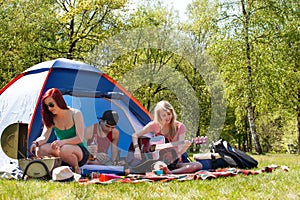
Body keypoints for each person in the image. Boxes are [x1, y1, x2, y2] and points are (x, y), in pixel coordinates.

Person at [131, 100, 202, 174]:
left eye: (169, 114)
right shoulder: (154, 125)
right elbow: (135, 135)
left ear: (172, 113)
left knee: (198, 165)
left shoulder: (180, 127)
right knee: (156, 166)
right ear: (159, 116)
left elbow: (179, 152)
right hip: (157, 161)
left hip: (174, 161)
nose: (167, 117)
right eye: (164, 115)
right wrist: (137, 149)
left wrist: (186, 146)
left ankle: (171, 172)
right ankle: (166, 171)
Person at [29, 88, 90, 174]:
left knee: (64, 149)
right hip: (61, 150)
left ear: (59, 101)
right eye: (47, 106)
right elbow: (44, 137)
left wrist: (62, 142)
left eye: (51, 104)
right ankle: (55, 170)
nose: (49, 108)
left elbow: (79, 138)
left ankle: (76, 170)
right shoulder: (51, 118)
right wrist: (35, 143)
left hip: (79, 152)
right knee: (40, 149)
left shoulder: (75, 113)